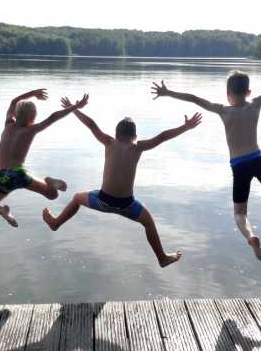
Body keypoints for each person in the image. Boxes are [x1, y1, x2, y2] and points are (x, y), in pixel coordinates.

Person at [151, 53, 261, 262]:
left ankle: (251, 237)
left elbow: (194, 98)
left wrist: (168, 92)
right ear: (248, 91)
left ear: (227, 93)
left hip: (239, 165)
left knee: (240, 213)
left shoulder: (223, 110)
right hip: (258, 159)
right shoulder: (256, 104)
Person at [42, 96, 202, 267]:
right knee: (149, 223)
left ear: (116, 134)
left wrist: (73, 108)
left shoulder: (109, 142)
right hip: (126, 204)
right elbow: (162, 137)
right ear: (135, 136)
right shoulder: (138, 147)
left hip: (103, 201)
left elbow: (91, 124)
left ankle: (56, 223)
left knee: (76, 198)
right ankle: (162, 258)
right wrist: (186, 127)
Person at [0, 89, 88, 227]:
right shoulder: (31, 130)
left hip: (3, 176)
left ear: (15, 114)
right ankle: (50, 182)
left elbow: (13, 101)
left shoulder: (8, 124)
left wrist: (33, 93)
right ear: (32, 119)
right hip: (19, 173)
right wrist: (75, 106)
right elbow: (53, 117)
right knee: (52, 195)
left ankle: (3, 211)